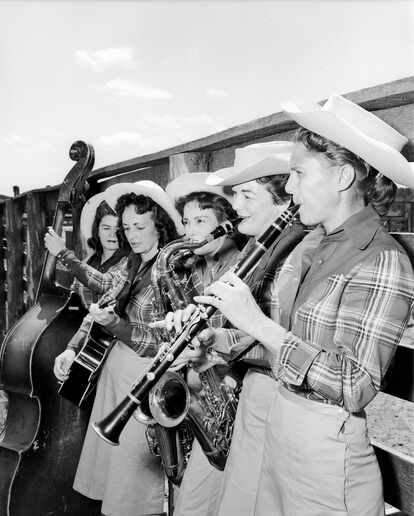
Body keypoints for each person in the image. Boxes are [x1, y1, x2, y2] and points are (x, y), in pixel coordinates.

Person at [195, 96, 414, 515]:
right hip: (283, 437)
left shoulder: (382, 259)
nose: (289, 187)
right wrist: (216, 337)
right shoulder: (315, 246)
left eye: (298, 173)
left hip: (327, 456)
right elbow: (285, 350)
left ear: (344, 176)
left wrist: (260, 324)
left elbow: (355, 384)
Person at [159, 142, 305, 516]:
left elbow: (285, 341)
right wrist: (211, 343)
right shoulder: (258, 251)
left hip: (273, 404)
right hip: (245, 397)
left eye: (246, 194)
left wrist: (215, 349)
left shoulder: (294, 255)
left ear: (284, 196)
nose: (236, 206)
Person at [51, 180, 183, 516]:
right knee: (114, 468)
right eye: (127, 227)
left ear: (160, 226)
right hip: (116, 374)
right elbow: (105, 283)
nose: (133, 234)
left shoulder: (171, 269)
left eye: (140, 226)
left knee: (133, 473)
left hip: (143, 378)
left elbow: (162, 339)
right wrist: (66, 256)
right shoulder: (133, 262)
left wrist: (115, 325)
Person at [152, 172, 244, 516]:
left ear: (227, 224)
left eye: (202, 220)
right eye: (187, 221)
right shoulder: (194, 268)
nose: (190, 231)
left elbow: (240, 343)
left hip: (227, 399)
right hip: (201, 392)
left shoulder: (242, 269)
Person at [45, 192, 128, 309]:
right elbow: (75, 293)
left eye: (118, 229)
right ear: (97, 230)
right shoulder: (91, 258)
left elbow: (104, 284)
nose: (112, 234)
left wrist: (63, 253)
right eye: (106, 228)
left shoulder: (128, 261)